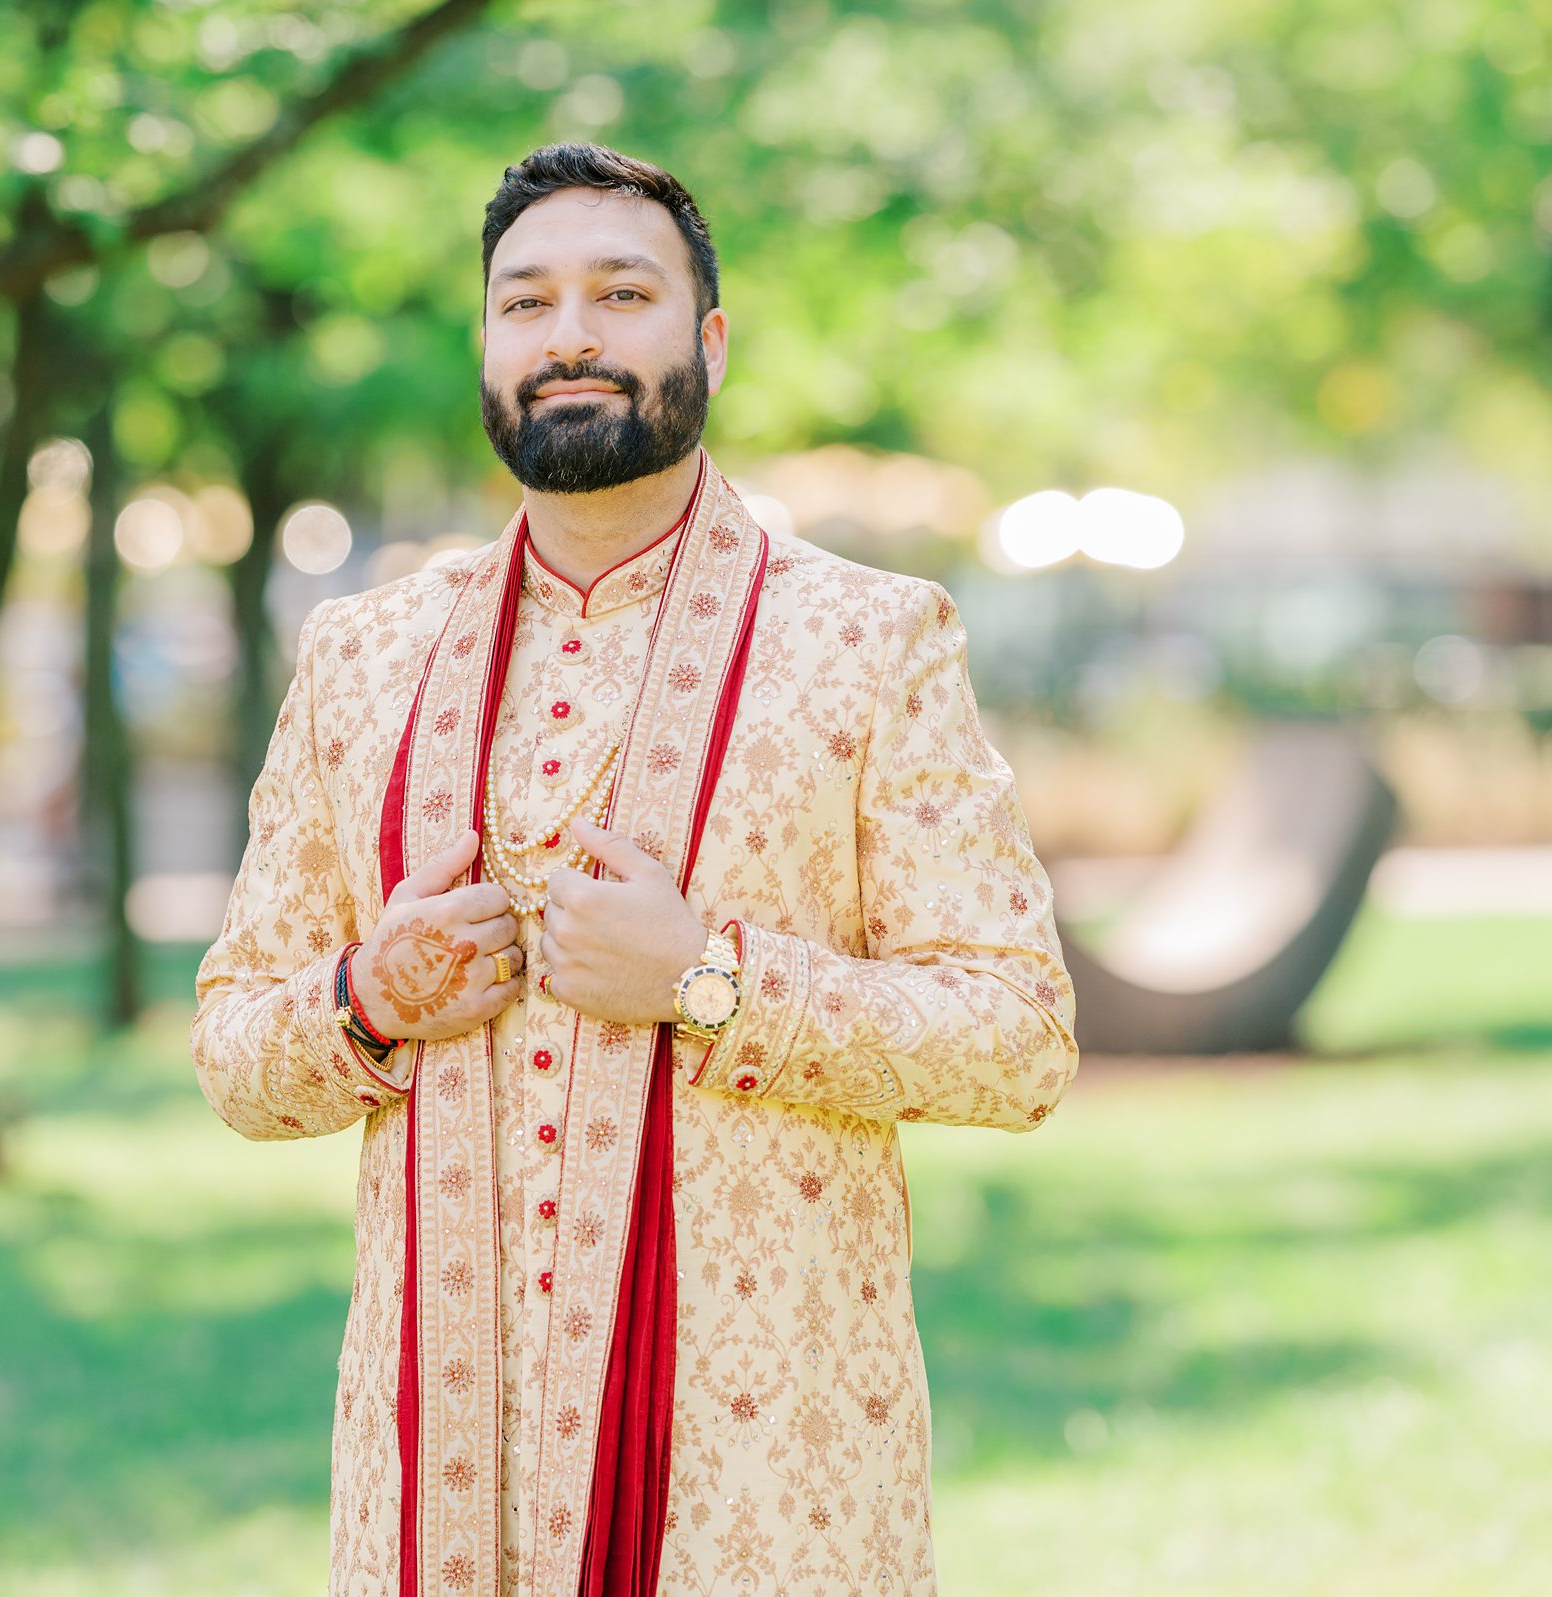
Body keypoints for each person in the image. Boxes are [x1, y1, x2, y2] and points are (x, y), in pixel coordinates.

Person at [192, 141, 1079, 1597]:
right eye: (525, 303)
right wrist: (369, 995)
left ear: (708, 341)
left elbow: (1021, 1039)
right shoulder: (364, 660)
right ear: (486, 344)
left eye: (623, 294)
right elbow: (234, 1050)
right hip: (438, 1497)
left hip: (758, 1505)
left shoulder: (868, 641)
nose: (572, 338)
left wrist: (710, 980)